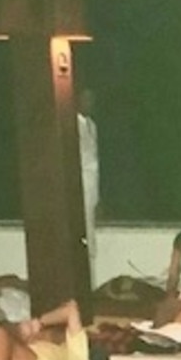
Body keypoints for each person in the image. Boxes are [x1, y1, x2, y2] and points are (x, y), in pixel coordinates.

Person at [76, 88, 100, 278]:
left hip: (91, 189)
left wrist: (98, 198)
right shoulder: (71, 125)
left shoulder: (91, 125)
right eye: (86, 99)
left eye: (92, 99)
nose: (89, 103)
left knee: (90, 236)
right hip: (79, 189)